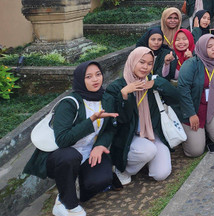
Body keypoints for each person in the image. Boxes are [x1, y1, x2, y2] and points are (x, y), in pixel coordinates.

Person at [24, 62, 118, 216]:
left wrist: (100, 145)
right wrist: (92, 119)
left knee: (100, 181)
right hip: (62, 155)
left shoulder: (106, 99)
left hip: (89, 152)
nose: (95, 79)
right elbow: (63, 140)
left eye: (98, 74)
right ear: (81, 79)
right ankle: (66, 203)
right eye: (89, 77)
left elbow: (110, 128)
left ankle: (75, 183)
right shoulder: (69, 103)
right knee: (70, 156)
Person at [104, 47, 181, 185]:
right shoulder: (117, 87)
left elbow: (176, 99)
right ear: (132, 61)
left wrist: (157, 83)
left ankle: (143, 160)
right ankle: (124, 170)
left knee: (161, 174)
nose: (145, 67)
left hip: (152, 133)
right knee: (148, 150)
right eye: (141, 62)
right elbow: (121, 119)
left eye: (150, 63)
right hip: (130, 136)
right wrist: (124, 95)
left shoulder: (151, 81)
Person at [178, 34, 214, 156]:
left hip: (212, 108)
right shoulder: (191, 64)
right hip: (195, 108)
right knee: (195, 151)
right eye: (209, 46)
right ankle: (197, 134)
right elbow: (183, 89)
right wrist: (191, 114)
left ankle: (206, 132)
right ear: (202, 48)